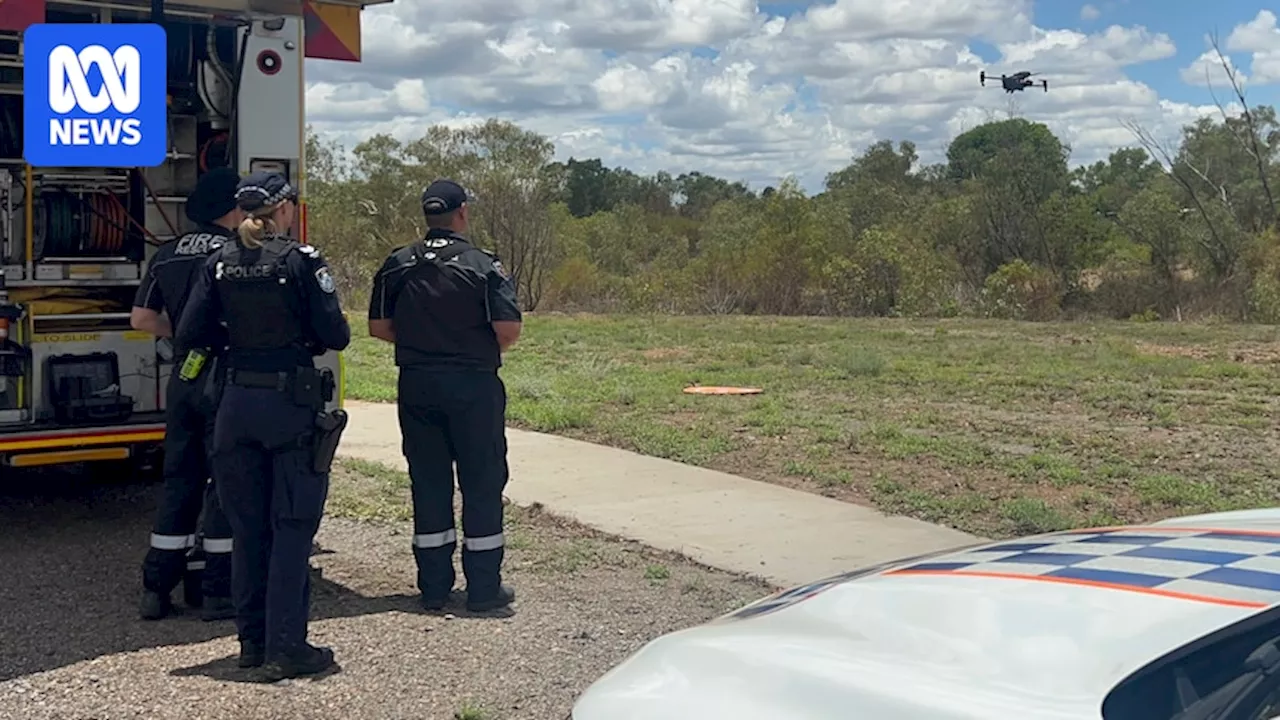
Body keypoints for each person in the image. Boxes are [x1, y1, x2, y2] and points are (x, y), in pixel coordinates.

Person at [175, 171, 350, 678]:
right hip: (288, 408)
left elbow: (190, 336)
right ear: (284, 210)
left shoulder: (217, 265)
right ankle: (287, 647)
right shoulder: (301, 262)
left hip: (235, 407)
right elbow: (335, 334)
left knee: (249, 530)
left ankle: (252, 644)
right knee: (292, 527)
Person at [367, 179, 522, 613]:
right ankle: (484, 589)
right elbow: (507, 330)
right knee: (481, 481)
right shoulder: (482, 265)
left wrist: (423, 343)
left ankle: (433, 588)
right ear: (463, 212)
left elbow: (378, 327)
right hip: (472, 385)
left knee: (429, 481)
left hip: (416, 383)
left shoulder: (398, 263)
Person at [132, 167, 242, 622]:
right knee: (226, 479)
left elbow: (140, 318)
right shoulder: (235, 253)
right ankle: (216, 588)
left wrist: (182, 334)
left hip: (184, 376)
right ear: (234, 208)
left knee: (180, 479)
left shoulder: (167, 253)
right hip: (224, 374)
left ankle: (156, 587)